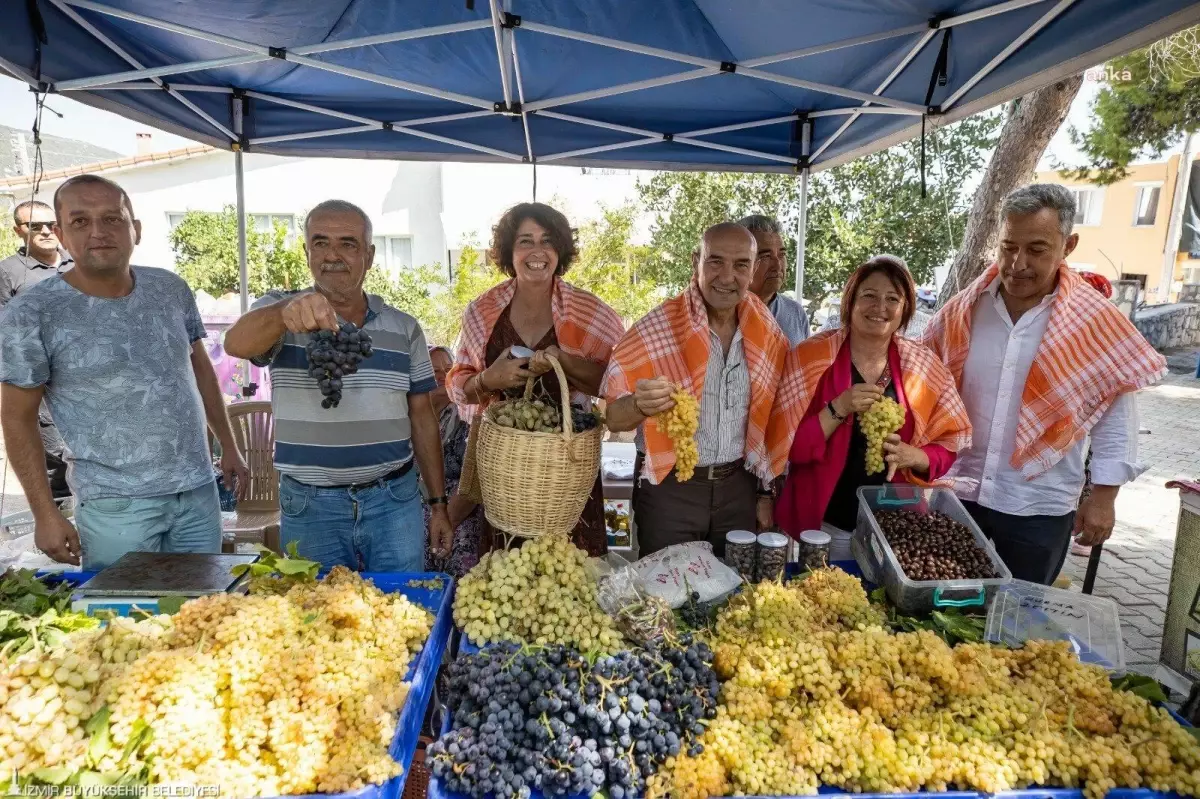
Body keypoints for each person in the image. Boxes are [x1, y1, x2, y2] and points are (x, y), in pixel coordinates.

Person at [921, 184, 1167, 585]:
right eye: (1008, 247)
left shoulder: (1093, 321)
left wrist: (1103, 498)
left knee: (1022, 628)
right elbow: (921, 381)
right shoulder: (963, 310)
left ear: (1067, 245)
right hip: (961, 493)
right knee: (946, 616)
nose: (1017, 263)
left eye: (1036, 249)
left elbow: (1114, 415)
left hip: (1039, 504)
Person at [0, 175, 247, 569]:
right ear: (62, 234)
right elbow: (16, 418)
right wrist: (45, 513)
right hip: (115, 506)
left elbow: (201, 372)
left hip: (197, 493)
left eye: (113, 218)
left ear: (136, 229)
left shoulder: (170, 289)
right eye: (80, 221)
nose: (98, 232)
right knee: (125, 623)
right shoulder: (31, 314)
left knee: (204, 616)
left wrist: (229, 447)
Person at [224, 200, 452, 572]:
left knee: (403, 612)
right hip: (311, 507)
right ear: (306, 251)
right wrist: (284, 314)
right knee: (319, 619)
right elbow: (235, 343)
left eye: (348, 243)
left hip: (394, 501)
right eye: (320, 242)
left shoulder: (403, 327)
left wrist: (439, 504)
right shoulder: (281, 313)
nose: (333, 255)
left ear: (370, 255)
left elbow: (423, 418)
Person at [603, 222, 794, 558]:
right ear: (696, 262)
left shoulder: (768, 332)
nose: (727, 276)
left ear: (753, 270)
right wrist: (639, 404)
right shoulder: (656, 328)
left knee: (735, 598)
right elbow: (613, 419)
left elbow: (772, 419)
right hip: (671, 489)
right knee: (667, 598)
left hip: (739, 488)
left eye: (740, 265)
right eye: (715, 261)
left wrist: (765, 495)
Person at [448, 202, 623, 556]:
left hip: (566, 467)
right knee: (507, 583)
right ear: (509, 252)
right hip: (506, 470)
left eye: (547, 241)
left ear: (560, 250)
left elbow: (613, 383)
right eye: (525, 241)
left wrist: (565, 361)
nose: (537, 252)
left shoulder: (590, 311)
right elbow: (461, 390)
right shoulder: (481, 311)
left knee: (569, 580)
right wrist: (488, 379)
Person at [774, 256, 973, 559]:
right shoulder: (810, 359)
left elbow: (948, 445)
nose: (880, 307)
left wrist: (915, 456)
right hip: (825, 526)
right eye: (869, 295)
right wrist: (838, 408)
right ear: (850, 301)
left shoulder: (924, 367)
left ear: (905, 309)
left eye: (892, 298)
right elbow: (789, 448)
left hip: (896, 529)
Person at [1, 200, 75, 501]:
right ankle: (60, 532)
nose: (45, 231)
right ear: (20, 230)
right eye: (35, 226)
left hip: (87, 381)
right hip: (41, 386)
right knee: (57, 464)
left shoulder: (80, 263)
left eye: (50, 224)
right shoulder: (7, 273)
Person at [422, 346, 484, 578]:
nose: (441, 376)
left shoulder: (468, 415)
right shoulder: (408, 415)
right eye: (433, 370)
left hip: (459, 509)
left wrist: (448, 516)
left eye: (448, 369)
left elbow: (474, 478)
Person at [738, 215, 808, 346]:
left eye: (782, 255)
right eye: (766, 256)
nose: (777, 265)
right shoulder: (722, 313)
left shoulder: (795, 313)